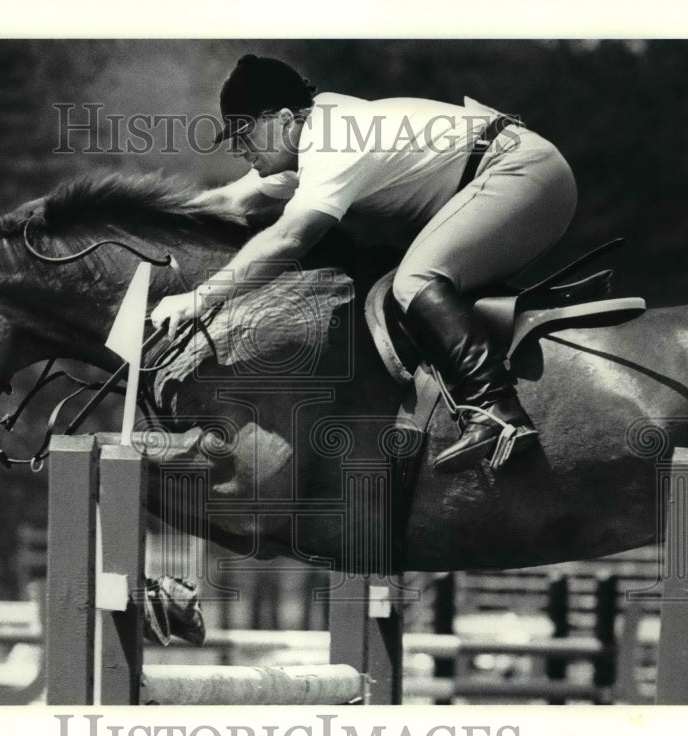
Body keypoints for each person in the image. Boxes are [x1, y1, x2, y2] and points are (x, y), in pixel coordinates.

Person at [151, 54, 577, 472]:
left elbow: (290, 238)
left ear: (282, 119)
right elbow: (232, 201)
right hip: (504, 170)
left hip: (519, 171)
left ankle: (497, 411)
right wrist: (147, 220)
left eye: (244, 134)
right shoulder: (308, 135)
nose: (240, 149)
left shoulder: (334, 138)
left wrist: (200, 299)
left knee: (414, 280)